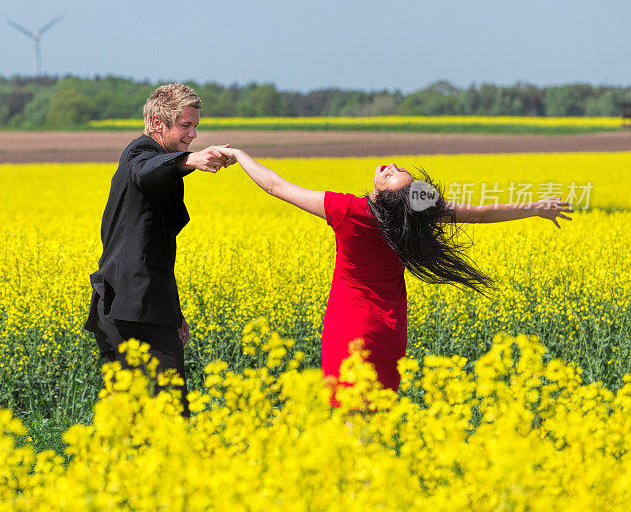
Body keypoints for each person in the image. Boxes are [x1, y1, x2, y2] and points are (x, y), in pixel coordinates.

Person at [216, 148, 574, 403]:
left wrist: (239, 156)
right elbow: (479, 213)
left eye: (393, 174)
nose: (390, 165)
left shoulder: (350, 210)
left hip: (350, 325)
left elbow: (276, 187)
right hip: (389, 326)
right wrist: (534, 208)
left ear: (384, 196)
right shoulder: (415, 217)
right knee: (375, 414)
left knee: (350, 415)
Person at [84, 83, 233, 416]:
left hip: (143, 303)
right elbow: (145, 171)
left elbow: (158, 253)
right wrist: (190, 160)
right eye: (185, 125)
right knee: (161, 411)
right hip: (129, 307)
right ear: (156, 124)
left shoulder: (163, 165)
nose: (193, 133)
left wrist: (174, 311)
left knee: (139, 413)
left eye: (195, 126)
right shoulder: (139, 154)